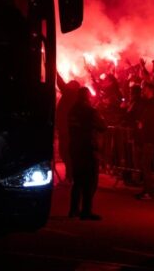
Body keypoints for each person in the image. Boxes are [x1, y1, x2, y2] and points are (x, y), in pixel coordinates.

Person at [68, 87, 107, 220]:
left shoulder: (72, 111)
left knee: (78, 181)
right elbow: (103, 126)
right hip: (88, 149)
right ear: (88, 97)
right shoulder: (91, 111)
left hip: (75, 148)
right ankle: (86, 211)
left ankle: (73, 210)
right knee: (90, 181)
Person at [56, 75, 81, 183]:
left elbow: (61, 83)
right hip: (66, 128)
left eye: (70, 83)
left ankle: (70, 176)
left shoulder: (71, 94)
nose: (68, 84)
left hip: (66, 129)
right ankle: (71, 175)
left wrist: (54, 70)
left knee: (66, 152)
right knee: (67, 152)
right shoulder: (73, 95)